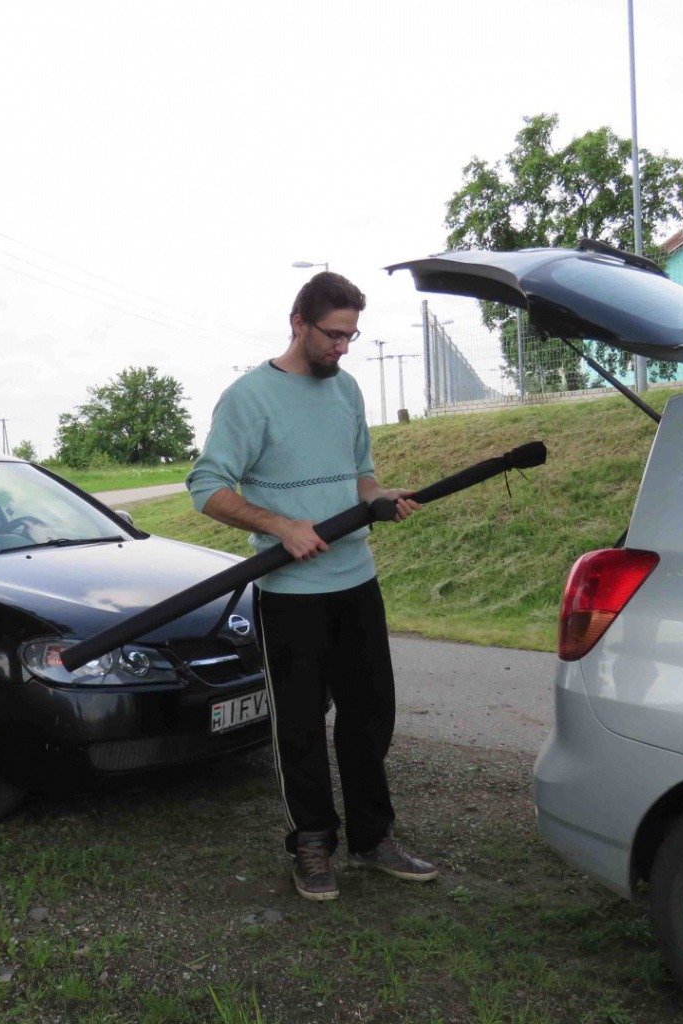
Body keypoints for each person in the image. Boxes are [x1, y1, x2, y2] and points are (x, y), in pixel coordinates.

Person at [186, 271, 438, 901]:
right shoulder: (249, 398)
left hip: (357, 581)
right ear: (298, 323)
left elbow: (360, 477)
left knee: (370, 714)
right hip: (291, 594)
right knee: (299, 722)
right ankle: (312, 844)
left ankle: (373, 838)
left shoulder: (346, 390)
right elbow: (206, 486)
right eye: (333, 335)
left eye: (351, 336)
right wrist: (280, 528)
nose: (343, 348)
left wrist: (383, 498)